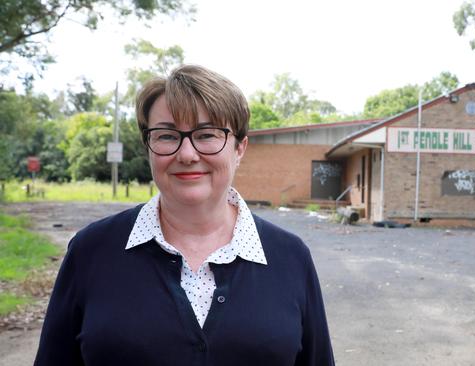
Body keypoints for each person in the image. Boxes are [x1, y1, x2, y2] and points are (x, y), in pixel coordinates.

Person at [34, 64, 335, 366]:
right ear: (148, 147)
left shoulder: (290, 257)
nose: (187, 154)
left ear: (240, 148)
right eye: (166, 136)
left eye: (206, 134)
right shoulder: (90, 251)